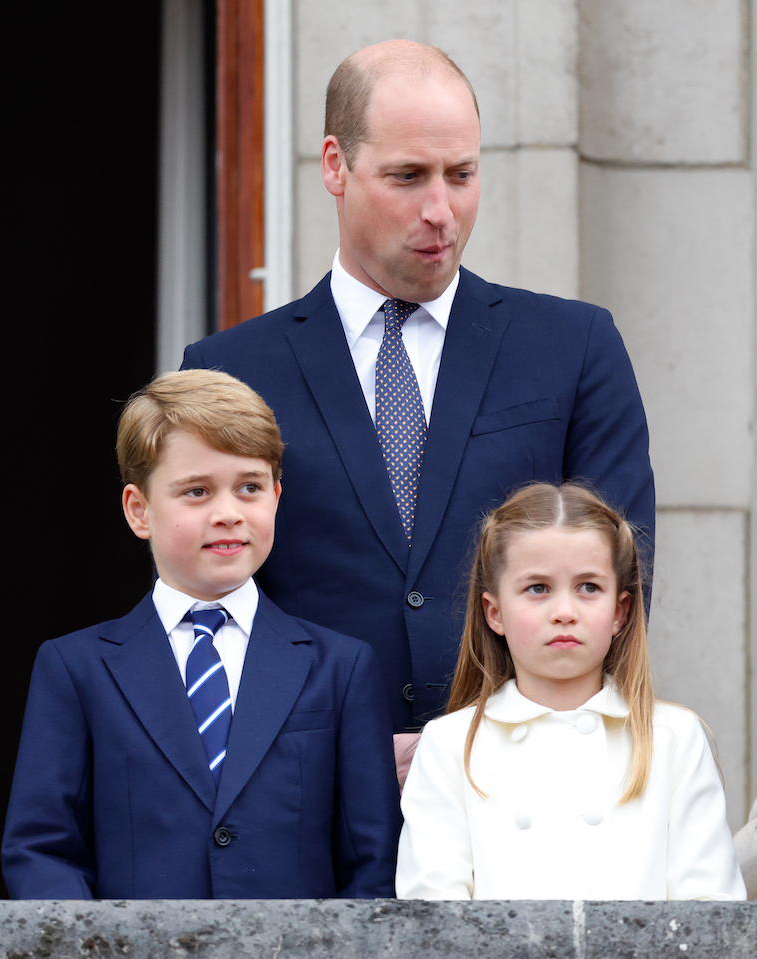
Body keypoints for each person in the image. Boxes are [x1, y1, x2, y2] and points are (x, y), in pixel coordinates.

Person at [180, 40, 654, 775]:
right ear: (335, 166)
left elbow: (619, 578)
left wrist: (484, 745)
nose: (442, 211)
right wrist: (351, 751)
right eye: (408, 176)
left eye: (462, 175)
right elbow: (210, 610)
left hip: (528, 788)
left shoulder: (574, 346)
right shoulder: (232, 371)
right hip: (308, 801)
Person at [1, 371, 398, 899]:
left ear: (277, 496)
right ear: (139, 510)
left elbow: (373, 861)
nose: (228, 513)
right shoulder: (75, 669)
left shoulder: (341, 667)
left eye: (250, 487)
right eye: (197, 491)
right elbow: (41, 850)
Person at [395, 483, 745, 900]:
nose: (564, 612)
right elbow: (434, 917)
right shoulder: (451, 745)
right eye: (538, 588)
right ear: (495, 612)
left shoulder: (674, 738)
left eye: (589, 588)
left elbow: (708, 913)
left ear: (620, 612)